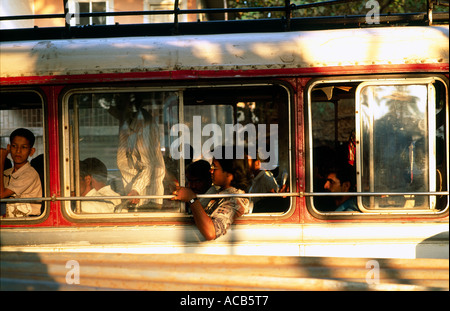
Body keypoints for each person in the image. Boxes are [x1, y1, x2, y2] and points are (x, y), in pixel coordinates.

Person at [172, 146, 251, 240]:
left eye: (215, 167)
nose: (211, 171)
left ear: (229, 173)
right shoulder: (218, 193)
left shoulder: (236, 200)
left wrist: (192, 199)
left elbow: (211, 232)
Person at [108, 93, 165, 208]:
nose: (113, 108)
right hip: (134, 194)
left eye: (118, 103)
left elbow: (149, 165)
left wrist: (136, 190)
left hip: (146, 198)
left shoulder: (143, 124)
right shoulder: (127, 122)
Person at [1, 128, 42, 217]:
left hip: (29, 218)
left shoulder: (30, 173)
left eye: (23, 147)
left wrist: (1, 159)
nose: (18, 151)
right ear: (9, 148)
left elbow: (1, 194)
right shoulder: (6, 173)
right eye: (14, 146)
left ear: (31, 151)